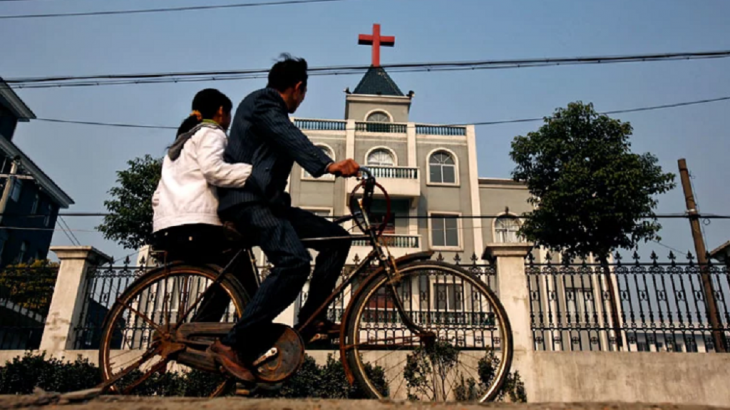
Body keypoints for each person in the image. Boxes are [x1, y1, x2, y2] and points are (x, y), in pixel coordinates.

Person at [208, 54, 360, 382]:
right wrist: (328, 164)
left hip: (271, 205)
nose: (301, 100)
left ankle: (311, 320)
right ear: (298, 87)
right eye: (303, 94)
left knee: (338, 239)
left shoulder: (269, 112)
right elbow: (290, 138)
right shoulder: (263, 103)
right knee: (294, 262)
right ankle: (232, 345)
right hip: (247, 202)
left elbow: (284, 141)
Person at [152, 88, 252, 269]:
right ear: (221, 111)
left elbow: (156, 198)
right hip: (199, 228)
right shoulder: (212, 133)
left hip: (165, 231)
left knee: (230, 279)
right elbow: (213, 170)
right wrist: (254, 173)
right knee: (240, 268)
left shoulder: (176, 148)